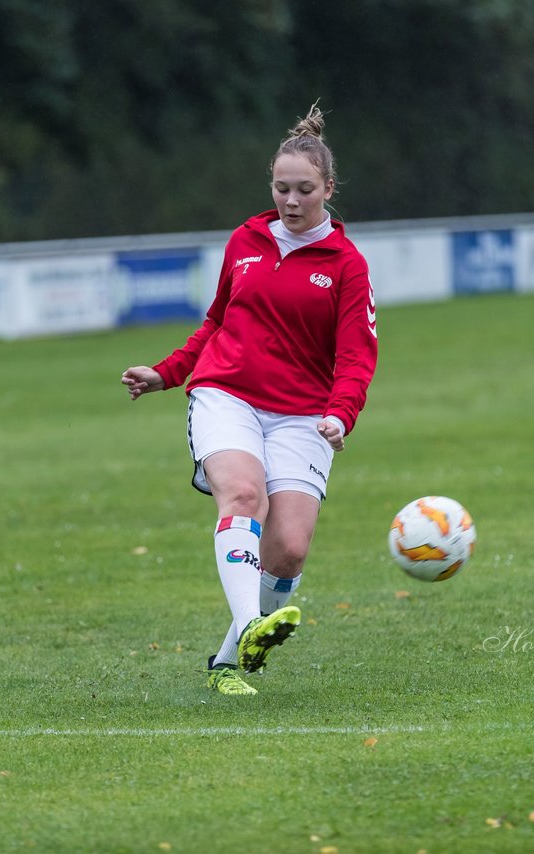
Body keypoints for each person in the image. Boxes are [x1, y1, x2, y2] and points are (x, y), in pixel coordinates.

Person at [121, 103, 378, 696]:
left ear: (329, 189)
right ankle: (250, 623)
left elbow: (357, 356)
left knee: (287, 550)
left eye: (304, 190)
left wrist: (341, 414)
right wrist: (167, 373)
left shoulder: (348, 266)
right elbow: (216, 322)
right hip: (226, 393)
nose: (291, 200)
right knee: (242, 494)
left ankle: (226, 661)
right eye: (281, 188)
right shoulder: (246, 239)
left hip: (303, 414)